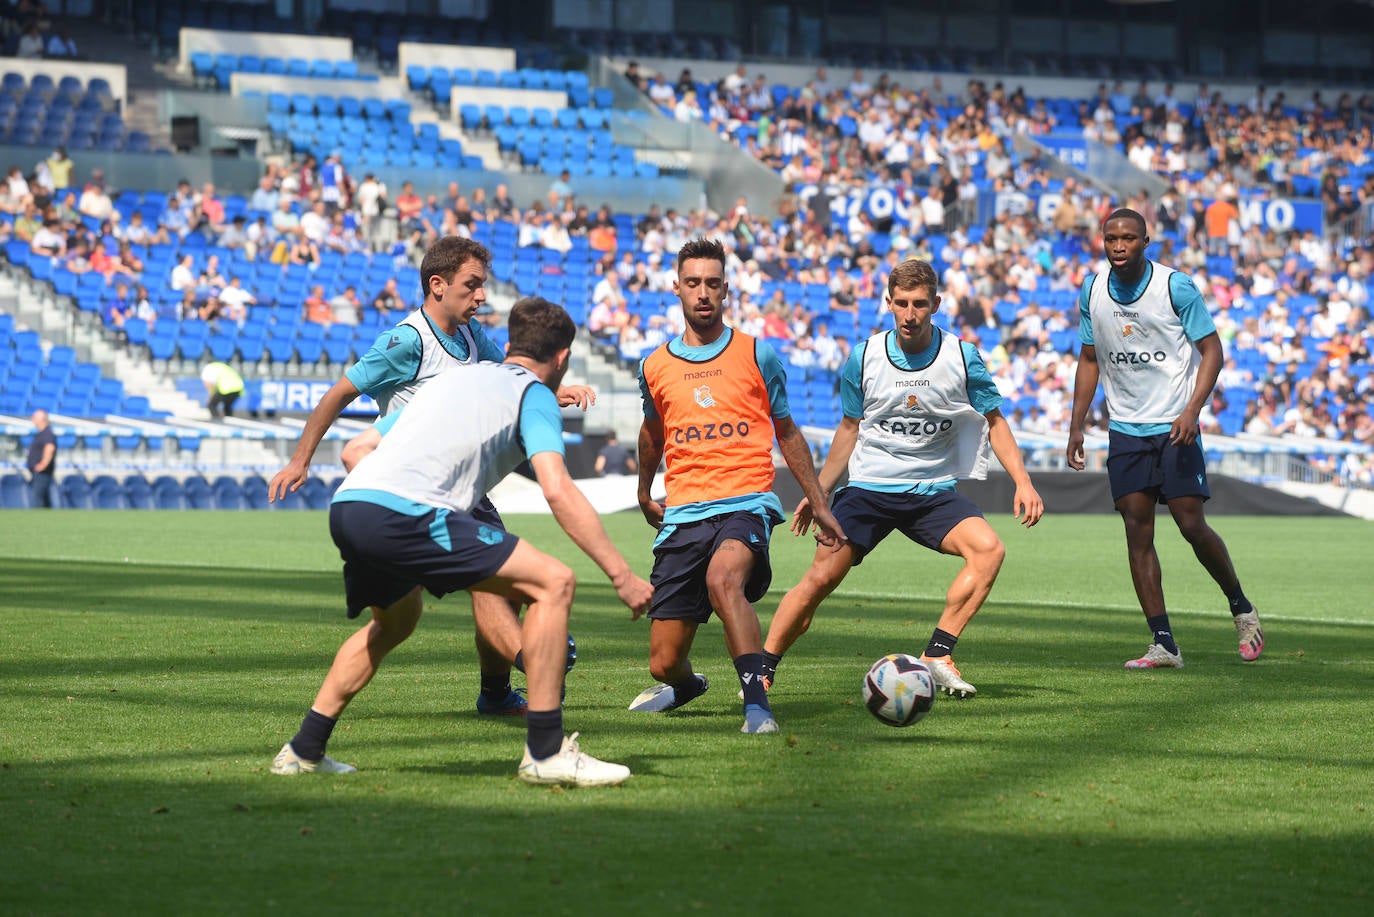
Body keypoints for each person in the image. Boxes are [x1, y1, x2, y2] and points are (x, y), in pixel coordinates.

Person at [271, 297, 654, 786]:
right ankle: (545, 752)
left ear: (512, 342)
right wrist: (621, 575)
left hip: (351, 506)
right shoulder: (533, 395)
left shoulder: (450, 380)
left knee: (393, 624)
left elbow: (356, 448)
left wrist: (387, 501)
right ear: (562, 359)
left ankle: (302, 750)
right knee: (553, 582)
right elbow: (557, 489)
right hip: (404, 513)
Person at [268, 236, 594, 717]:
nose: (482, 296)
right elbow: (339, 393)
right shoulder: (407, 341)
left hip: (455, 486)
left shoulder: (468, 335)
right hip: (415, 488)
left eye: (482, 285)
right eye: (472, 285)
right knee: (491, 584)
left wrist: (554, 391)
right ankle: (532, 669)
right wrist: (301, 459)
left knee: (427, 612)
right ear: (437, 285)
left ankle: (498, 689)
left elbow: (508, 373)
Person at [759, 259, 1044, 700]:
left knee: (989, 551)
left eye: (920, 304)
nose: (910, 314)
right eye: (901, 304)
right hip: (868, 491)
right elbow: (849, 428)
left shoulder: (963, 357)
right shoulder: (865, 356)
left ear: (936, 305)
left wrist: (1023, 481)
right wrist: (819, 493)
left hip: (932, 493)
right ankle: (761, 671)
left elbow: (995, 420)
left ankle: (937, 654)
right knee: (818, 580)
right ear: (888, 302)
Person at [629, 238, 846, 734]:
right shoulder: (654, 366)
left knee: (723, 579)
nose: (702, 293)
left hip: (745, 502)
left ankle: (756, 707)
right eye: (692, 283)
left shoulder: (757, 353)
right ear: (677, 289)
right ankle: (686, 685)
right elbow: (652, 430)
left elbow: (787, 432)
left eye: (711, 283)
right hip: (683, 512)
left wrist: (819, 502)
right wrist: (644, 492)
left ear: (726, 290)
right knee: (663, 663)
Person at [1067, 208, 1263, 669]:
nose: (1119, 247)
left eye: (1129, 239)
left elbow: (1212, 349)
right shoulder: (1092, 290)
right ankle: (1164, 644)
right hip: (1126, 429)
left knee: (1191, 524)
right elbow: (1090, 359)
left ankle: (1241, 608)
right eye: (1111, 238)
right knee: (1137, 534)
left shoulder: (1174, 286)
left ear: (1145, 241)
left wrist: (1192, 409)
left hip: (1175, 426)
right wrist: (1077, 423)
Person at [26, 409, 57, 508]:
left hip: (42, 473)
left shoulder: (47, 433)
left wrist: (43, 464)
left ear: (42, 419)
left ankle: (41, 522)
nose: (32, 419)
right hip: (40, 473)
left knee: (39, 500)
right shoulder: (42, 433)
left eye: (35, 417)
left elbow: (50, 448)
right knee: (44, 500)